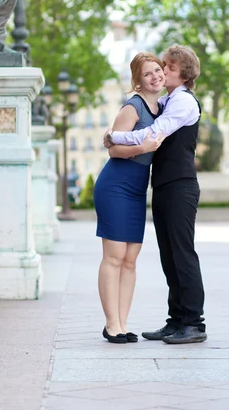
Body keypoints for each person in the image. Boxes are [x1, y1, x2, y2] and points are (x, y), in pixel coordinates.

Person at [106, 45, 207, 344]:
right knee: (170, 256)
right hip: (164, 185)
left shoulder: (184, 103)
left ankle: (193, 323)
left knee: (182, 254)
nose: (163, 72)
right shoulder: (166, 101)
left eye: (169, 68)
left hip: (180, 185)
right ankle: (176, 321)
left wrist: (114, 138)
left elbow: (153, 135)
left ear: (183, 73)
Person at [94, 52, 166, 344]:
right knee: (113, 257)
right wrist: (143, 147)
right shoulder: (133, 107)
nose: (155, 76)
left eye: (158, 70)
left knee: (130, 259)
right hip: (115, 186)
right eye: (148, 73)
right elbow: (113, 148)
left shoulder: (161, 108)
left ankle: (123, 323)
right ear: (138, 80)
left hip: (137, 189)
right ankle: (112, 325)